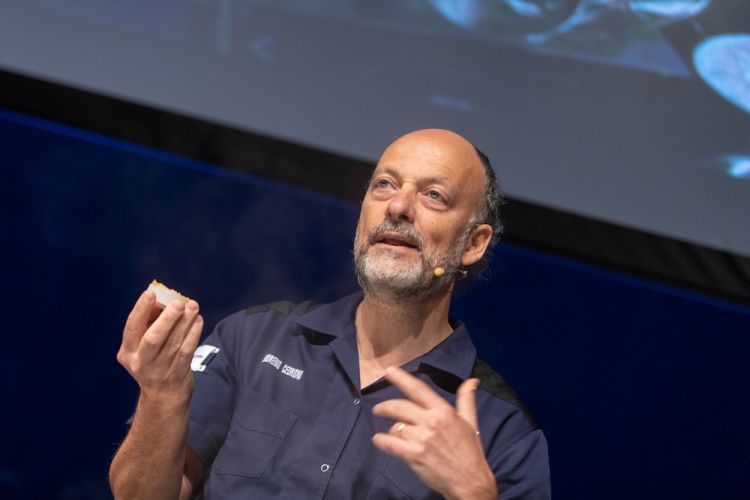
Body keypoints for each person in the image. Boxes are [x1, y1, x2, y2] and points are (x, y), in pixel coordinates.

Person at [109, 129, 551, 499]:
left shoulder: (502, 430)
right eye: (385, 185)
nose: (397, 207)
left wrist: (473, 494)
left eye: (433, 195)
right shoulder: (254, 338)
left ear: (473, 244)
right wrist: (161, 395)